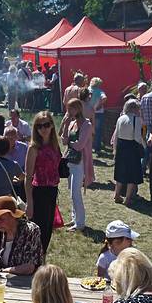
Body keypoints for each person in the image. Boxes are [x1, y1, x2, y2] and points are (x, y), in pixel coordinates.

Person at [25, 111, 61, 253]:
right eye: (39, 126)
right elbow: (28, 177)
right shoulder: (34, 148)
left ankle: (41, 261)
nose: (43, 129)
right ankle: (34, 263)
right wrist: (29, 203)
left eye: (46, 125)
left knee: (47, 231)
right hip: (39, 192)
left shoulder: (55, 146)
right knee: (37, 232)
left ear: (52, 125)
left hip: (52, 192)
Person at [60, 98, 93, 232]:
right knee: (72, 192)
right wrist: (66, 125)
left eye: (71, 109)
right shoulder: (72, 123)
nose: (69, 112)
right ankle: (75, 219)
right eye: (68, 109)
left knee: (75, 193)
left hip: (80, 162)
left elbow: (80, 145)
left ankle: (80, 223)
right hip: (70, 161)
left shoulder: (87, 124)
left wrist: (69, 142)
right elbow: (63, 140)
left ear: (78, 109)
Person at [112, 99, 144, 206]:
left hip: (121, 147)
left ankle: (117, 195)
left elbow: (116, 135)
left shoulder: (120, 118)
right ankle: (128, 199)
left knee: (120, 171)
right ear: (135, 108)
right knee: (132, 174)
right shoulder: (137, 119)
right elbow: (137, 138)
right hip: (132, 148)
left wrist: (115, 150)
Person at [88, 77, 107, 153]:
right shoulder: (100, 91)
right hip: (98, 112)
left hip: (88, 112)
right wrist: (99, 105)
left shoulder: (88, 90)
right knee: (98, 131)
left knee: (88, 130)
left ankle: (89, 146)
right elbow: (104, 98)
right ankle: (97, 148)